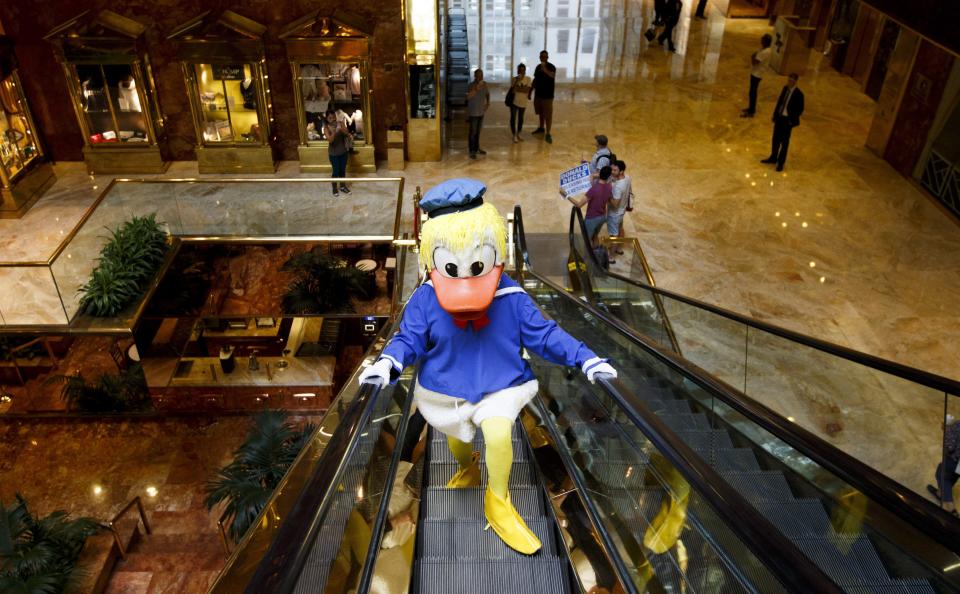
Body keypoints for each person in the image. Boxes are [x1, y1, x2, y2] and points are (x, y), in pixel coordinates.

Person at [359, 178, 617, 556]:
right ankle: (468, 466)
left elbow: (546, 335)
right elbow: (408, 337)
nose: (465, 277)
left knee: (499, 433)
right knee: (456, 439)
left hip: (500, 384)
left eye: (476, 263)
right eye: (452, 265)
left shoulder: (511, 297)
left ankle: (498, 499)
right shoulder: (426, 298)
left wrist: (587, 358)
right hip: (447, 388)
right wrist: (387, 363)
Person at [562, 166, 618, 244]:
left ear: (599, 173)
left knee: (586, 241)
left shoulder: (593, 190)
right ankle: (596, 253)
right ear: (609, 176)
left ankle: (587, 256)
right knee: (595, 236)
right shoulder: (609, 187)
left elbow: (579, 205)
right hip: (602, 217)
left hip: (592, 218)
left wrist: (566, 195)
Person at [761, 73, 804, 172]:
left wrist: (791, 120)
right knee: (775, 139)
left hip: (787, 120)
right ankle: (773, 157)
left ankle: (781, 162)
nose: (790, 82)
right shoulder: (785, 89)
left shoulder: (799, 94)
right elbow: (780, 102)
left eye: (792, 81)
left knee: (784, 143)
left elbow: (800, 109)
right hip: (780, 118)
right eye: (789, 80)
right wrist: (775, 114)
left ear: (796, 81)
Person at [928, 416, 960, 516]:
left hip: (955, 460)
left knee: (941, 474)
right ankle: (940, 493)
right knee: (954, 475)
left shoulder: (957, 426)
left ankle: (952, 510)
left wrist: (947, 431)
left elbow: (949, 448)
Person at [741, 34, 773, 118]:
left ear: (766, 41)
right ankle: (751, 108)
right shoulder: (764, 49)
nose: (761, 41)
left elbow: (754, 61)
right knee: (752, 92)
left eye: (762, 40)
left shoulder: (766, 52)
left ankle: (752, 111)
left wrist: (752, 56)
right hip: (755, 72)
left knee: (753, 93)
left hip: (757, 74)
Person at [322, 109, 352, 197]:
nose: (332, 119)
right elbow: (330, 140)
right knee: (336, 171)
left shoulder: (341, 123)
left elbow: (347, 133)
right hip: (333, 154)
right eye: (330, 118)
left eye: (334, 117)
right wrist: (335, 131)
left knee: (342, 170)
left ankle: (342, 186)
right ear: (327, 118)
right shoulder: (326, 128)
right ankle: (334, 188)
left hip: (343, 152)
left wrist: (341, 129)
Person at [531, 51, 557, 144]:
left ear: (547, 57)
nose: (543, 58)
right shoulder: (538, 67)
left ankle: (548, 133)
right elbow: (535, 79)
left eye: (545, 57)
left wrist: (544, 69)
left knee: (548, 115)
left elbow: (552, 75)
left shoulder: (551, 67)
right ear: (539, 57)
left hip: (548, 96)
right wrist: (530, 91)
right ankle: (541, 128)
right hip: (538, 95)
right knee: (541, 113)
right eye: (541, 56)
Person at [466, 69, 490, 159]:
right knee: (473, 132)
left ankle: (477, 148)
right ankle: (472, 150)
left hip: (481, 112)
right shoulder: (470, 85)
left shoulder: (485, 84)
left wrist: (488, 103)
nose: (480, 77)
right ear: (475, 76)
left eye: (482, 75)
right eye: (479, 75)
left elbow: (487, 94)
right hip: (473, 112)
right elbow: (468, 97)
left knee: (478, 132)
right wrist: (476, 89)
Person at [609, 160, 632, 253]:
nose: (612, 172)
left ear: (621, 171)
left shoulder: (618, 187)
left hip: (614, 214)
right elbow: (630, 191)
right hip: (622, 211)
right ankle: (618, 248)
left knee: (613, 235)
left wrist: (608, 195)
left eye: (615, 170)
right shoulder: (627, 178)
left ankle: (610, 257)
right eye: (612, 170)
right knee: (620, 230)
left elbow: (615, 204)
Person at [508, 64, 533, 143]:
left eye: (523, 70)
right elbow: (513, 90)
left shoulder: (528, 79)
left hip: (523, 102)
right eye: (520, 70)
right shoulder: (514, 79)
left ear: (525, 70)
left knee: (521, 119)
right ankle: (514, 134)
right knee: (513, 118)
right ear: (517, 70)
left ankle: (518, 133)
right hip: (514, 102)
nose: (521, 71)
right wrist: (517, 82)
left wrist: (519, 89)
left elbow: (527, 90)